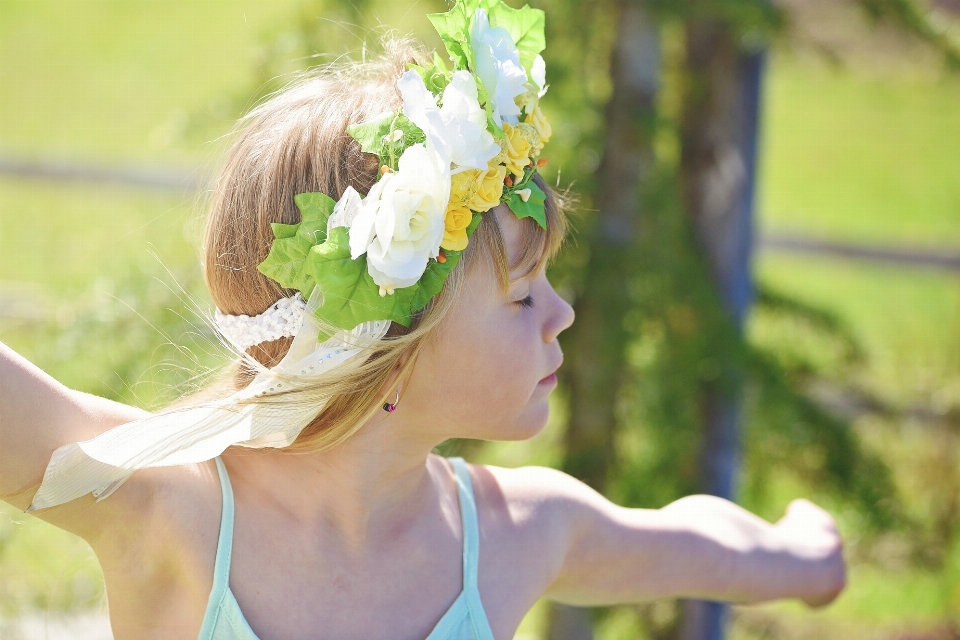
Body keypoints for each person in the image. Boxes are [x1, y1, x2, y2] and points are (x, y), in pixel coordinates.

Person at [0, 3, 845, 639]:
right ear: (386, 341)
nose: (564, 314)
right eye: (523, 296)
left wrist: (803, 555)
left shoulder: (513, 535)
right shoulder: (159, 501)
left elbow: (690, 540)